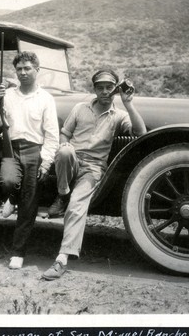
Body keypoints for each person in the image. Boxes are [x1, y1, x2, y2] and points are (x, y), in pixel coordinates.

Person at [42, 69, 147, 280]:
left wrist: (128, 103)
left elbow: (140, 133)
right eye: (100, 87)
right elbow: (65, 133)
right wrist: (64, 142)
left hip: (93, 168)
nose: (105, 91)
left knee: (76, 206)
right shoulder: (80, 108)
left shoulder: (119, 115)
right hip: (70, 160)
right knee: (64, 151)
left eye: (109, 87)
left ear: (116, 89)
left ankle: (62, 258)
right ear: (95, 89)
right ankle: (62, 194)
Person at [0, 51, 59, 270]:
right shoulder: (7, 95)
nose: (23, 72)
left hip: (35, 151)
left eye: (28, 68)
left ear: (37, 70)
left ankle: (18, 251)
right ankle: (11, 197)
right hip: (12, 148)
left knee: (30, 202)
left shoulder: (46, 98)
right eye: (19, 69)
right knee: (8, 181)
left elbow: (52, 134)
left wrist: (46, 161)